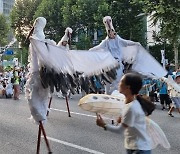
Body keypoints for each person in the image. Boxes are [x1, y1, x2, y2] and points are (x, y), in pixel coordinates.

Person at [96, 72, 155, 154]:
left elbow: (120, 130)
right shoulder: (130, 102)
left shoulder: (131, 107)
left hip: (138, 149)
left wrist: (103, 125)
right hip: (135, 147)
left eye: (121, 82)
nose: (118, 83)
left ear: (128, 87)